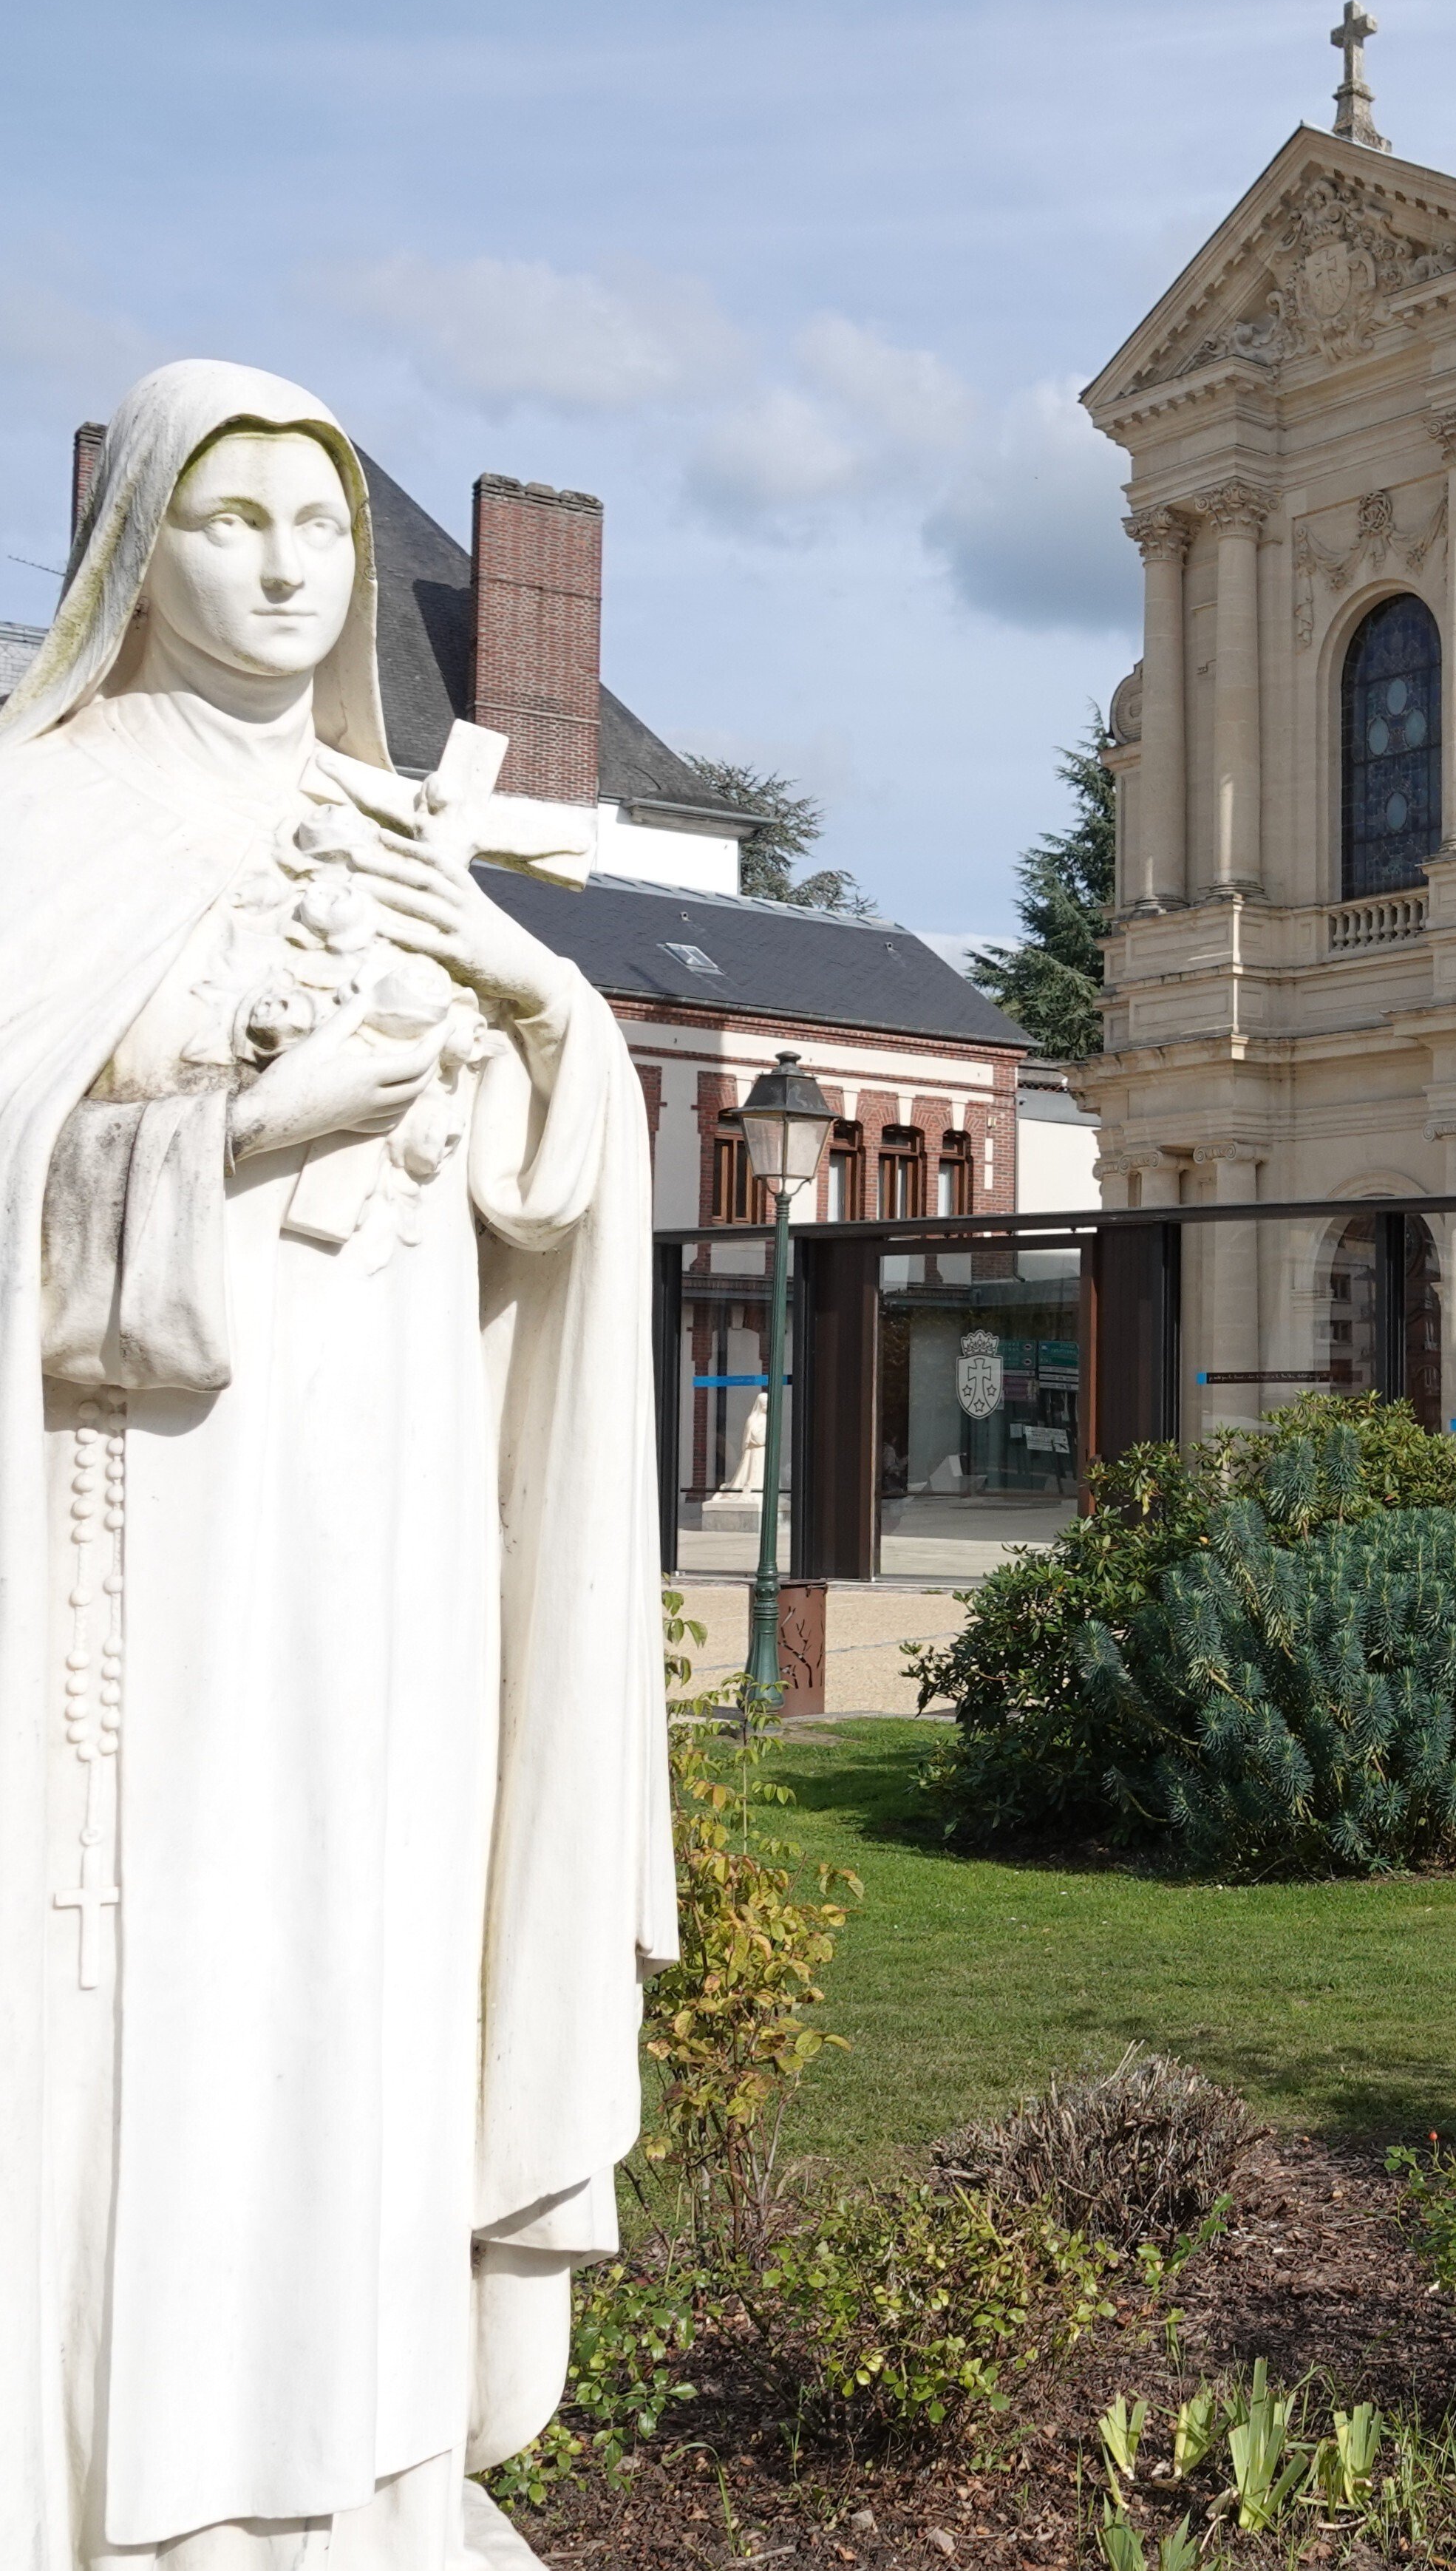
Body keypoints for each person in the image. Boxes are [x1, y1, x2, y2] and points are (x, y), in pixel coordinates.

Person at [0, 361, 674, 2570]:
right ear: (137, 552)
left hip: (393, 1528)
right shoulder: (47, 825)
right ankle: (150, 2491)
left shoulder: (391, 832)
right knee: (185, 1971)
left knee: (377, 1960)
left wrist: (528, 1020)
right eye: (231, 521)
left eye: (319, 529)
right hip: (151, 1542)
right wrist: (240, 1129)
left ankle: (373, 2466)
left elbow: (539, 1200)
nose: (286, 569)